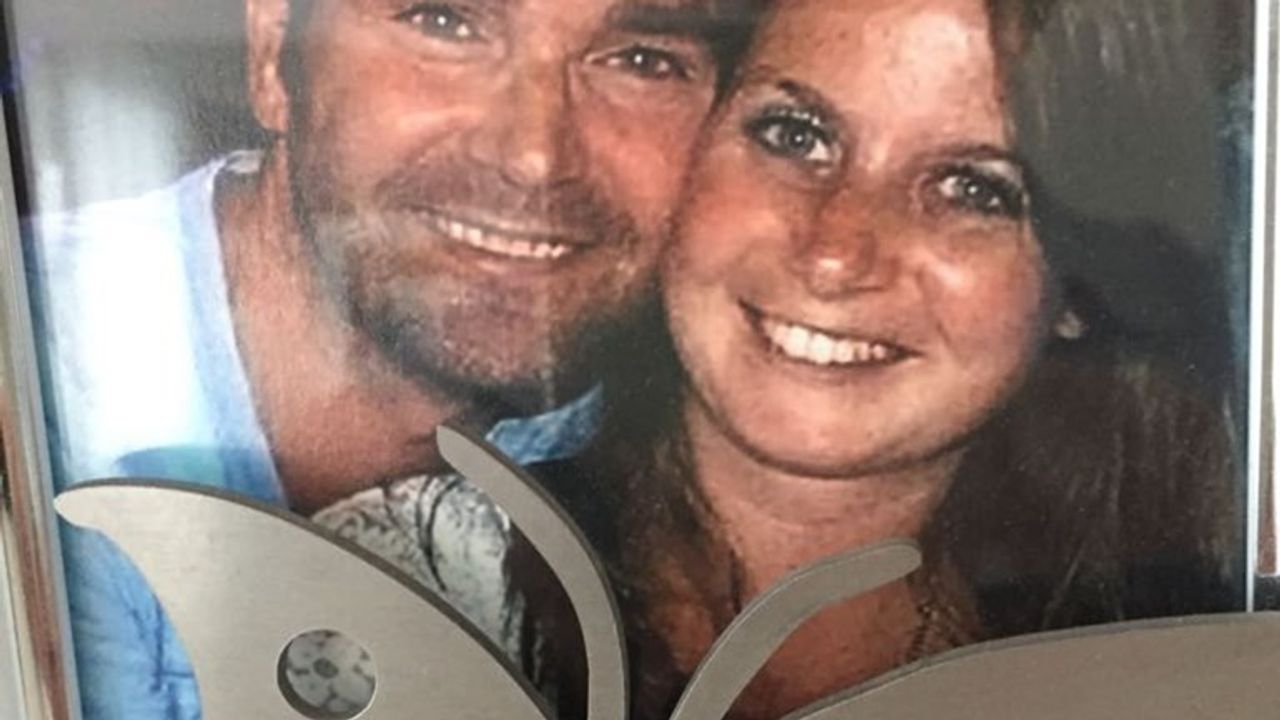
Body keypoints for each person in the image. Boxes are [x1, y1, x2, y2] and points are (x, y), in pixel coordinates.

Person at [418, 0, 1238, 716]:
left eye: (972, 188)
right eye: (795, 135)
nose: (835, 253)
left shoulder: (1191, 667)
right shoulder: (424, 570)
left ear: (1081, 285)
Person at [23, 0, 759, 717]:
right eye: (444, 23)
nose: (534, 158)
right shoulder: (26, 367)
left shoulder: (698, 456)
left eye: (642, 61)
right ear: (274, 56)